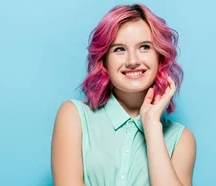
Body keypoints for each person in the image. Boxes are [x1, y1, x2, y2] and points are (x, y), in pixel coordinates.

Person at [51, 3, 196, 186]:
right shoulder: (74, 116)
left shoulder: (181, 139)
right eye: (119, 49)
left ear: (160, 56)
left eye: (144, 47)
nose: (133, 61)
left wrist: (151, 125)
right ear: (104, 60)